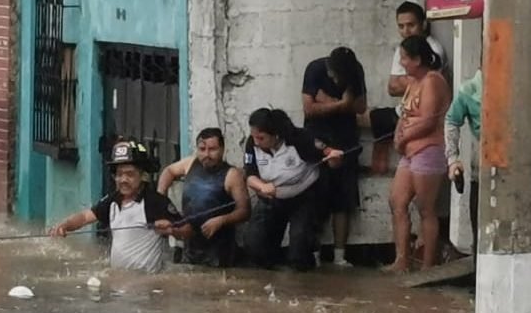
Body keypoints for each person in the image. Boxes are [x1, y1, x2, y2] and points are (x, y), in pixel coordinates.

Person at [51, 140, 183, 273]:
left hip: (145, 285)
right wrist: (65, 225)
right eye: (119, 174)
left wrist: (173, 230)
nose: (123, 180)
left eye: (130, 174)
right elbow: (85, 217)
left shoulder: (154, 202)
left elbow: (187, 229)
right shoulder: (112, 200)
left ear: (143, 175)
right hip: (118, 282)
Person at [242, 107, 344, 272]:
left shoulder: (300, 139)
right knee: (255, 243)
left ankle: (304, 271)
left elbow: (330, 158)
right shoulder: (252, 145)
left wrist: (335, 158)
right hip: (271, 198)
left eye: (261, 138)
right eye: (254, 137)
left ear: (275, 135)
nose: (256, 142)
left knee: (299, 247)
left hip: (304, 197)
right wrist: (262, 186)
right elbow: (249, 175)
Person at [389, 36, 452, 273]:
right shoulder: (413, 82)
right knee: (397, 201)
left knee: (425, 208)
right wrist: (398, 135)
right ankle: (401, 260)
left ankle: (427, 265)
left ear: (417, 59)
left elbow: (427, 121)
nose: (402, 63)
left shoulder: (433, 81)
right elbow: (405, 115)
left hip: (429, 149)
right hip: (409, 152)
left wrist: (404, 137)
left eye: (405, 58)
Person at [301, 46, 368, 266]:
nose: (339, 81)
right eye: (336, 76)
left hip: (346, 140)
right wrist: (341, 104)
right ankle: (314, 254)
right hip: (317, 140)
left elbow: (360, 106)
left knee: (344, 200)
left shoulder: (355, 71)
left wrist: (327, 102)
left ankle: (340, 255)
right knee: (316, 198)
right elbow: (309, 109)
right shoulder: (315, 69)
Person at [157, 127, 249, 267]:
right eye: (202, 149)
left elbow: (245, 211)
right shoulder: (190, 163)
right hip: (190, 243)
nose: (206, 154)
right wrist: (161, 199)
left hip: (218, 249)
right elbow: (169, 171)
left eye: (212, 149)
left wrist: (221, 220)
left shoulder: (232, 175)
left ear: (223, 149)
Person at [444, 66, 483, 255]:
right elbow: (451, 120)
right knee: (480, 233)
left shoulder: (520, 87)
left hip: (517, 168)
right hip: (482, 168)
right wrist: (453, 159)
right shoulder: (469, 90)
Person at [387, 1, 448, 98]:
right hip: (404, 109)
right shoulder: (402, 48)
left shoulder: (434, 49)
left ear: (423, 25)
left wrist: (403, 80)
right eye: (401, 26)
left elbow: (427, 86)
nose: (406, 31)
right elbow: (392, 88)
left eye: (411, 25)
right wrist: (415, 80)